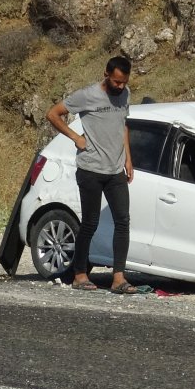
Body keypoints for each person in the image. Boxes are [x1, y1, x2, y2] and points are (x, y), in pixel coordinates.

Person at [45, 56, 138, 294]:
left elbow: (123, 125)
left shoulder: (125, 94)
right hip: (90, 170)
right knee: (90, 223)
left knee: (123, 221)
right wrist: (76, 137)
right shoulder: (87, 95)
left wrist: (128, 158)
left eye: (123, 82)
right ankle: (79, 274)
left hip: (115, 169)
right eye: (116, 81)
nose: (120, 87)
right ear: (106, 74)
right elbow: (53, 114)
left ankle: (119, 278)